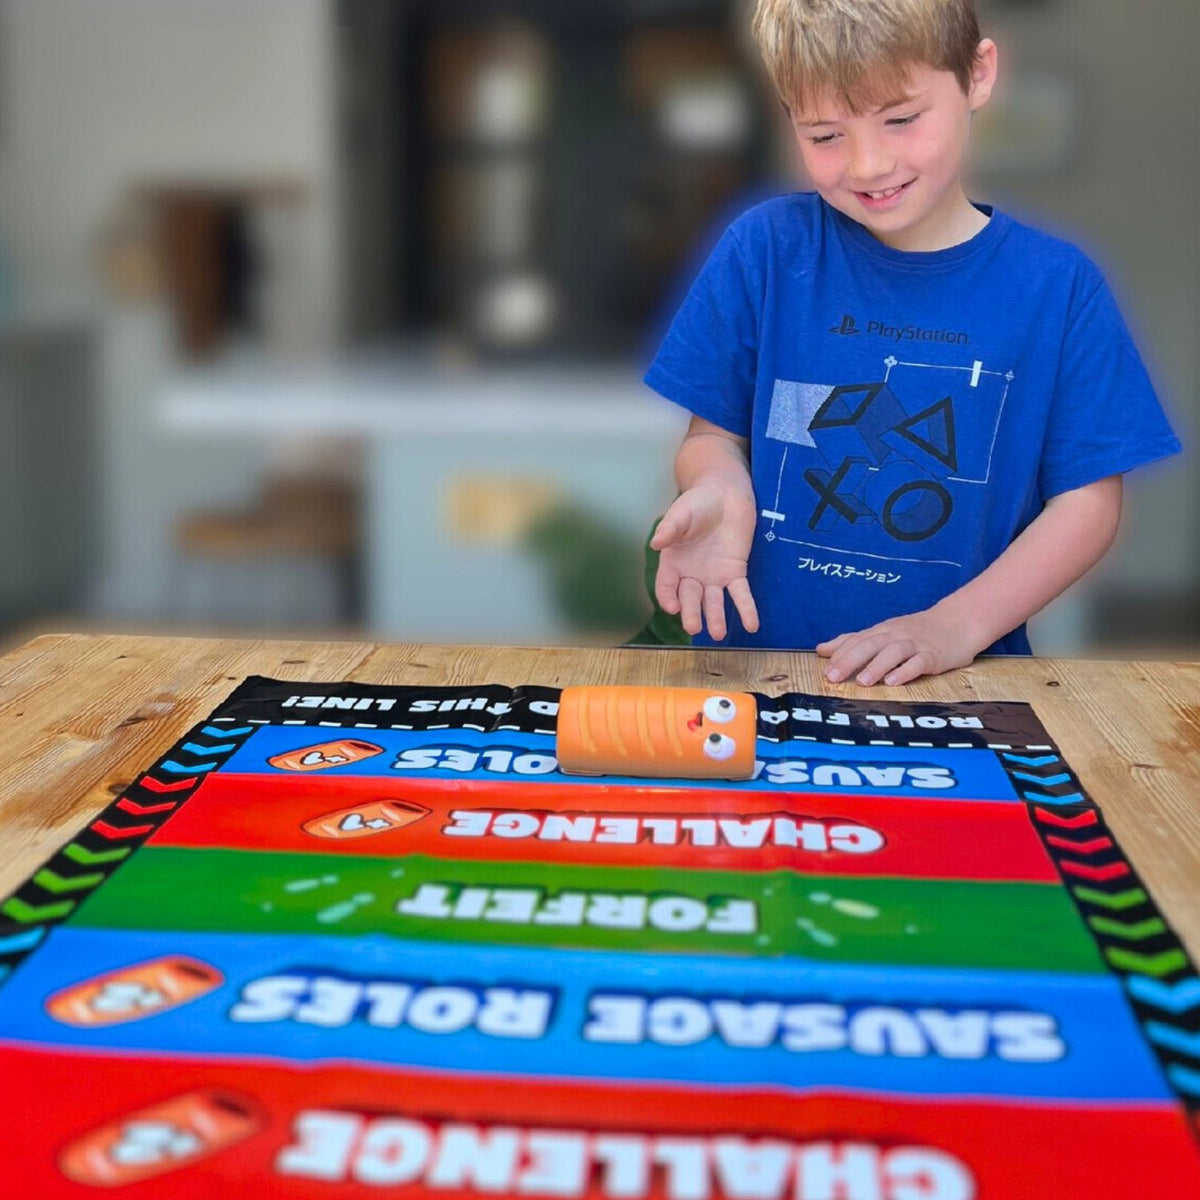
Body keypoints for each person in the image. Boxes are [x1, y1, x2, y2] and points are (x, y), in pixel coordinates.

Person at [643, 0, 1179, 686]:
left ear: (977, 75)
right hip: (755, 673)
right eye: (826, 134)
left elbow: (1087, 505)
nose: (867, 164)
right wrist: (717, 483)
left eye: (900, 119)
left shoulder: (1060, 288)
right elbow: (710, 437)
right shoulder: (764, 251)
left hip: (964, 683)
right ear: (787, 117)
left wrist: (955, 626)